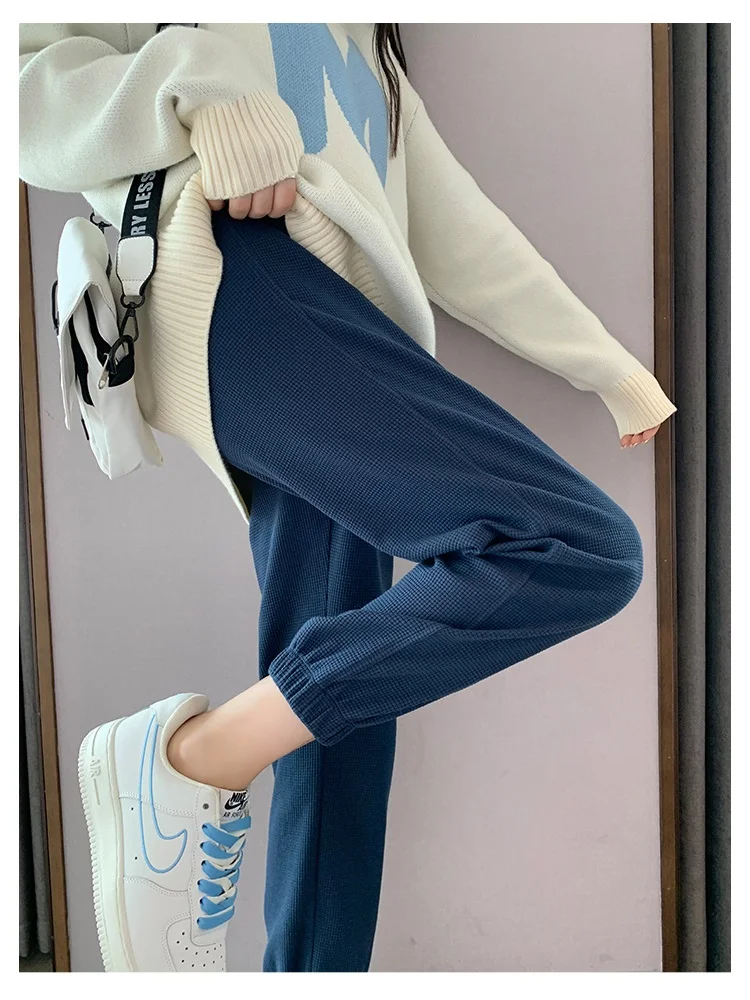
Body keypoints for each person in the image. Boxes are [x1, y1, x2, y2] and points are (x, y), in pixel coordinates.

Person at [20, 23, 677, 974]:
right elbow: (28, 79)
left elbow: (457, 229)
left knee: (344, 720)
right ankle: (193, 761)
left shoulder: (374, 45)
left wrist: (604, 366)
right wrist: (202, 91)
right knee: (578, 548)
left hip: (346, 334)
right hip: (237, 276)